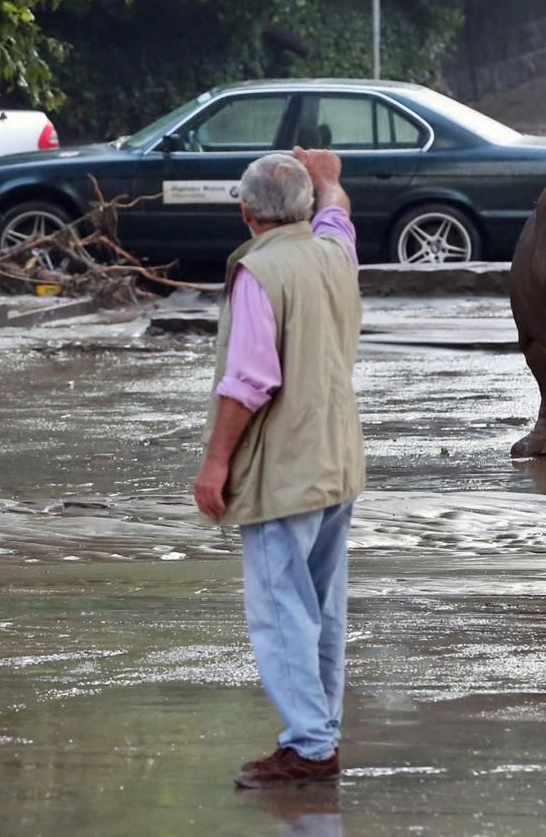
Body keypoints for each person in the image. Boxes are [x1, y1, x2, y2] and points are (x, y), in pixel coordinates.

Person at [194, 146, 365, 789]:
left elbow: (248, 383)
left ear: (245, 211)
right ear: (305, 208)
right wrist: (328, 181)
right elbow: (338, 214)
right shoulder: (334, 252)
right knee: (321, 607)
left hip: (284, 469)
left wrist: (215, 465)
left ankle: (311, 746)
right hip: (336, 459)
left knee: (282, 609)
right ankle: (319, 734)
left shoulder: (259, 272)